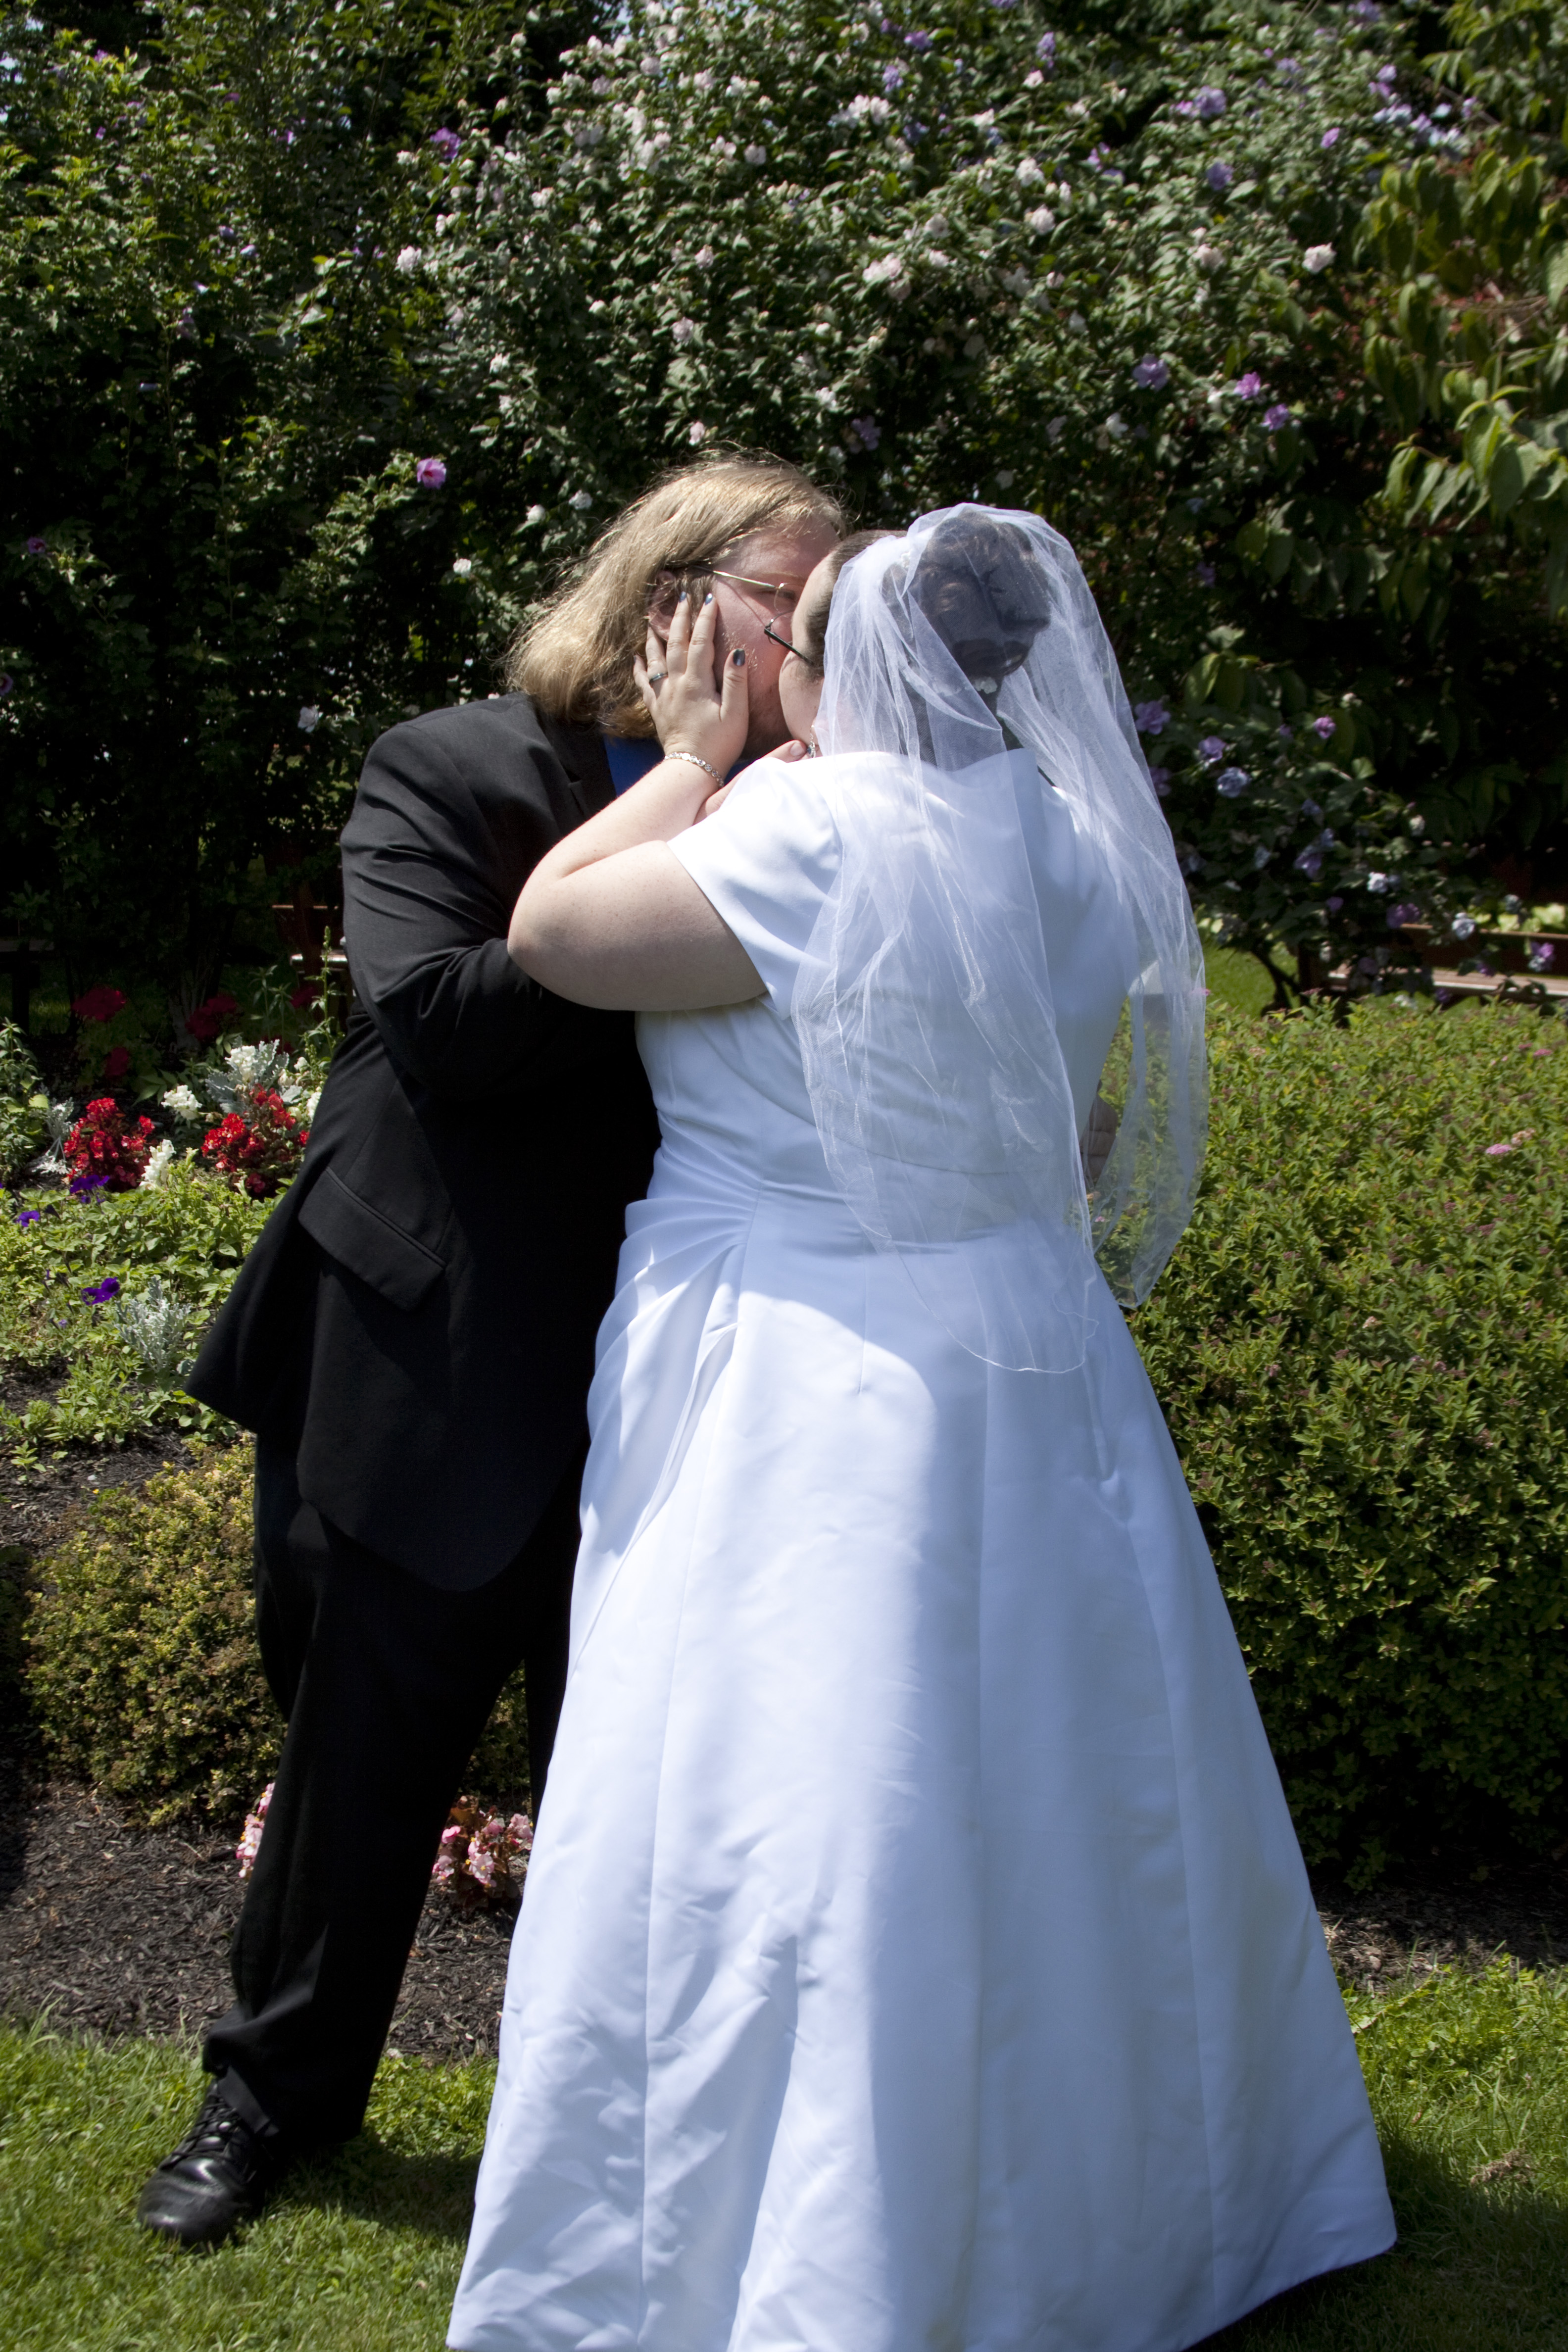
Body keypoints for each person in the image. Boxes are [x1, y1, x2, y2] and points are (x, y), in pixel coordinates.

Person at [446, 508, 1395, 2352]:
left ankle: (811, 2242)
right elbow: (1054, 1112)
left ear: (835, 662)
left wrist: (693, 765)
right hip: (1033, 1350)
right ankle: (1134, 2211)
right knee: (1053, 1769)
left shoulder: (806, 832)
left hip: (808, 1363)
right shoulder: (1076, 833)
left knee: (816, 1791)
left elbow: (554, 934)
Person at [134, 454, 844, 2249]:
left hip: (696, 1364)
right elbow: (447, 1027)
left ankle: (628, 2135)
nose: (823, 633)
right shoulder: (452, 770)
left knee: (658, 1791)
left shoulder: (835, 809)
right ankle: (268, 2100)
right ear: (676, 605)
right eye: (792, 600)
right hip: (431, 1349)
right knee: (361, 1764)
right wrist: (684, 793)